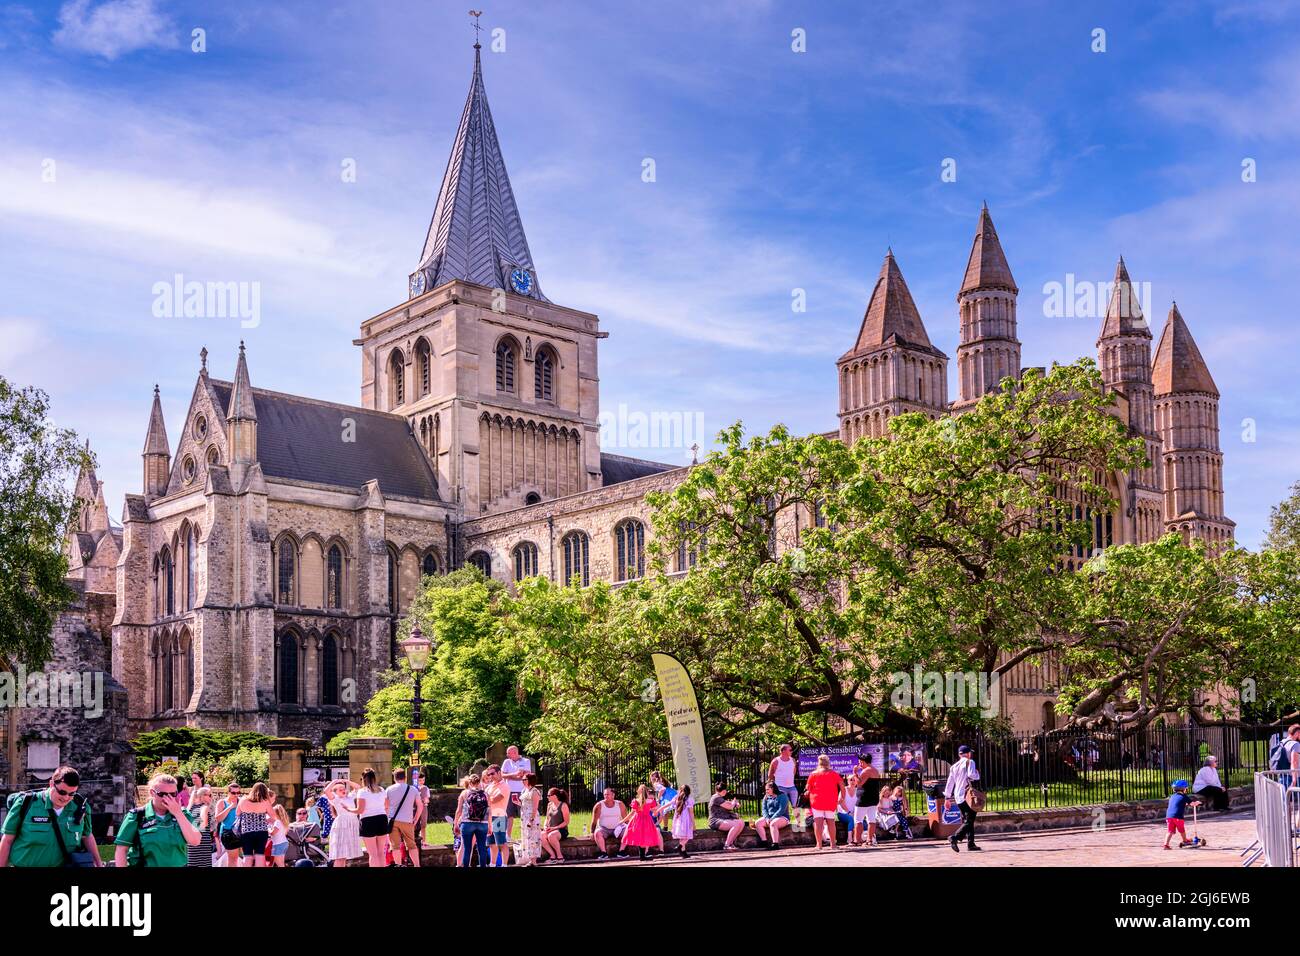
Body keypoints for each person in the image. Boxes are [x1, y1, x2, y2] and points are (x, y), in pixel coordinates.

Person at [0, 767, 101, 868]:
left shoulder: (80, 807)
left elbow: (87, 836)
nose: (66, 798)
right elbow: (7, 840)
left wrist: (99, 864)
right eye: (62, 792)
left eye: (71, 794)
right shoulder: (25, 804)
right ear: (52, 784)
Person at [114, 773, 201, 867]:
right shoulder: (137, 816)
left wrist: (178, 814)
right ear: (152, 792)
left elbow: (195, 841)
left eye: (173, 794)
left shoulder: (183, 815)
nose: (168, 798)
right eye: (162, 794)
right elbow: (121, 849)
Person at [943, 744, 981, 853]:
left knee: (968, 820)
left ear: (959, 755)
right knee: (969, 820)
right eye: (970, 753)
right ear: (968, 753)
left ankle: (971, 843)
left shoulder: (954, 766)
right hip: (967, 795)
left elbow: (950, 783)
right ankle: (954, 837)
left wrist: (947, 798)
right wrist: (977, 774)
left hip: (958, 795)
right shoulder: (970, 762)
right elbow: (971, 775)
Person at [385, 768, 425, 867]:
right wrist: (415, 819)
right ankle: (417, 865)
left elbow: (386, 806)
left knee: (395, 847)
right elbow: (420, 806)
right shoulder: (413, 789)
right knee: (411, 846)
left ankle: (398, 865)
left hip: (393, 821)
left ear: (394, 778)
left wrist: (387, 819)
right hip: (407, 821)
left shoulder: (389, 789)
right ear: (405, 778)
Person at [804, 754, 844, 850]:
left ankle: (819, 845)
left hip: (817, 801)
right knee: (831, 822)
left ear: (819, 763)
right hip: (830, 801)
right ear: (828, 763)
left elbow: (807, 788)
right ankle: (833, 845)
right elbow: (842, 786)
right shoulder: (834, 774)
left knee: (818, 823)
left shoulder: (813, 774)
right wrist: (842, 797)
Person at [234, 783, 276, 867]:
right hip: (261, 831)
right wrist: (265, 819)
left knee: (247, 855)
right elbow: (273, 816)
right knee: (259, 855)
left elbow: (237, 813)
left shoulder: (243, 800)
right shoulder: (265, 802)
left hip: (246, 831)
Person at [454, 774, 490, 868]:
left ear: (469, 783)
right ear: (479, 782)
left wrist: (455, 824)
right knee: (482, 848)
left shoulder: (465, 793)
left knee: (467, 848)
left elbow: (459, 810)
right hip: (483, 824)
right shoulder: (485, 794)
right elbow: (489, 811)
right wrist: (490, 825)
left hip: (467, 824)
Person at [356, 768, 390, 867]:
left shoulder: (362, 792)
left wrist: (348, 809)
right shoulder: (381, 790)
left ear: (363, 779)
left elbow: (360, 810)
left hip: (368, 820)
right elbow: (387, 806)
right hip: (382, 819)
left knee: (373, 854)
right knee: (381, 852)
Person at [326, 779, 363, 867]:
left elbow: (358, 787)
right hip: (342, 825)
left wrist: (347, 781)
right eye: (340, 789)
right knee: (340, 855)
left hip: (351, 824)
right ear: (335, 792)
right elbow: (326, 790)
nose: (343, 790)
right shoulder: (335, 799)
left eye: (344, 788)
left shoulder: (350, 796)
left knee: (344, 856)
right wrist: (335, 782)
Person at [620, 784, 662, 860]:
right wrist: (658, 806)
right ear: (647, 792)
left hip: (637, 820)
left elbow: (632, 813)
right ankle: (642, 856)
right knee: (644, 837)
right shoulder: (650, 801)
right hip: (647, 820)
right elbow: (654, 810)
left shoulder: (636, 801)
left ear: (638, 791)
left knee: (639, 837)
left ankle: (642, 856)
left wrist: (623, 820)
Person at [500, 745, 533, 841]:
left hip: (523, 792)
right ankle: (508, 836)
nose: (507, 755)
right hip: (509, 791)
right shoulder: (506, 762)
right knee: (509, 814)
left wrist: (509, 776)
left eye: (509, 753)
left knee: (524, 813)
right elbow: (502, 775)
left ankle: (527, 835)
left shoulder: (526, 761)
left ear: (515, 752)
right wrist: (515, 775)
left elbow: (526, 775)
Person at [482, 764, 512, 867]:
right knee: (491, 843)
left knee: (501, 843)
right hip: (489, 818)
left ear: (499, 773)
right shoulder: (490, 786)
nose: (490, 776)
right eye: (488, 774)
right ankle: (492, 864)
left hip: (499, 817)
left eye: (492, 774)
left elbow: (495, 800)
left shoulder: (505, 786)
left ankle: (504, 865)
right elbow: (485, 800)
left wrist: (486, 798)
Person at [590, 788, 629, 860]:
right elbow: (594, 821)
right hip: (604, 829)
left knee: (628, 831)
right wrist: (592, 832)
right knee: (597, 833)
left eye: (608, 794)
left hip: (618, 828)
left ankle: (621, 851)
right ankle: (603, 853)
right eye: (605, 794)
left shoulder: (620, 804)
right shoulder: (599, 805)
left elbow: (626, 819)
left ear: (613, 795)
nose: (606, 796)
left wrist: (630, 827)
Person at [853, 753, 883, 846]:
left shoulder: (866, 771)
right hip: (873, 798)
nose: (859, 764)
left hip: (864, 798)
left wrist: (855, 773)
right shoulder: (875, 770)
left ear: (862, 762)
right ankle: (869, 840)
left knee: (858, 820)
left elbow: (859, 784)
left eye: (860, 762)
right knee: (871, 819)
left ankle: (857, 840)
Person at [516, 772, 544, 867]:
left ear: (530, 780)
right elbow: (525, 805)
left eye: (525, 779)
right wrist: (517, 803)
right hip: (524, 817)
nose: (523, 781)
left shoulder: (534, 791)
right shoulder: (525, 791)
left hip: (531, 818)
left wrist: (531, 820)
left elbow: (535, 807)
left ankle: (534, 861)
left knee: (533, 838)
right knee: (527, 838)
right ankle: (530, 860)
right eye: (522, 780)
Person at [212, 783, 243, 867]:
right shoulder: (222, 802)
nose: (236, 795)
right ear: (228, 793)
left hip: (241, 832)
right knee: (233, 859)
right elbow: (218, 819)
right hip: (228, 833)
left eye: (238, 793)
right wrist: (230, 807)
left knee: (243, 858)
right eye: (233, 793)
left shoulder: (241, 801)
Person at [708, 782, 746, 850]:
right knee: (736, 825)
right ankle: (727, 845)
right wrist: (734, 803)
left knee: (741, 822)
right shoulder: (716, 798)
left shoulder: (719, 797)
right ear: (722, 791)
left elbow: (728, 803)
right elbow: (730, 807)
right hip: (715, 821)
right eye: (725, 790)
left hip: (723, 818)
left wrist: (735, 803)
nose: (726, 792)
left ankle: (731, 843)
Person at [1163, 780, 1200, 849]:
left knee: (1170, 831)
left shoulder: (1172, 796)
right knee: (1181, 830)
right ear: (1184, 789)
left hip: (1169, 817)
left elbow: (1177, 803)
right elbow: (1192, 804)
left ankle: (1166, 845)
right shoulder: (1184, 796)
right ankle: (1185, 840)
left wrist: (1185, 804)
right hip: (1178, 817)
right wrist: (1197, 803)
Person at [186, 786, 216, 867]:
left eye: (211, 795)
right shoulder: (204, 807)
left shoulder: (190, 808)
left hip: (191, 841)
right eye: (208, 795)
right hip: (202, 841)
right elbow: (203, 824)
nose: (211, 797)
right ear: (201, 796)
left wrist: (191, 831)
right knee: (203, 864)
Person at [754, 781, 789, 849]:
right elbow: (764, 809)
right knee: (758, 823)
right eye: (765, 790)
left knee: (773, 823)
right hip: (769, 817)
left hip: (782, 817)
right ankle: (764, 841)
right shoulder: (766, 797)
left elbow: (781, 810)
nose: (766, 791)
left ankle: (775, 844)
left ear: (773, 788)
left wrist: (772, 818)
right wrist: (767, 818)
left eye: (767, 789)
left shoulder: (783, 796)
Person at [540, 787, 570, 864]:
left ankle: (560, 857)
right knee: (541, 835)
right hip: (551, 829)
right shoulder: (549, 805)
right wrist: (545, 826)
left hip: (561, 830)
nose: (547, 797)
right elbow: (547, 818)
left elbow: (566, 822)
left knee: (551, 836)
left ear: (555, 796)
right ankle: (552, 856)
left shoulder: (563, 805)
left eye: (549, 795)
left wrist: (554, 828)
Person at [768, 743, 800, 812]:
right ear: (783, 751)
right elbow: (770, 775)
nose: (791, 751)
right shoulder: (776, 761)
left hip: (792, 786)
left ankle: (799, 822)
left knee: (795, 806)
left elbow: (793, 772)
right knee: (784, 806)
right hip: (780, 787)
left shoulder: (793, 760)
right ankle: (785, 820)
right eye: (790, 750)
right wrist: (773, 785)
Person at [670, 785, 695, 857]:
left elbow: (669, 804)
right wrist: (693, 824)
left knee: (683, 837)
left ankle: (683, 853)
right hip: (686, 820)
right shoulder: (689, 799)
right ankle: (679, 847)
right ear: (689, 791)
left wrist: (660, 809)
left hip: (678, 820)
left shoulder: (677, 798)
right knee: (687, 836)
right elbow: (691, 812)